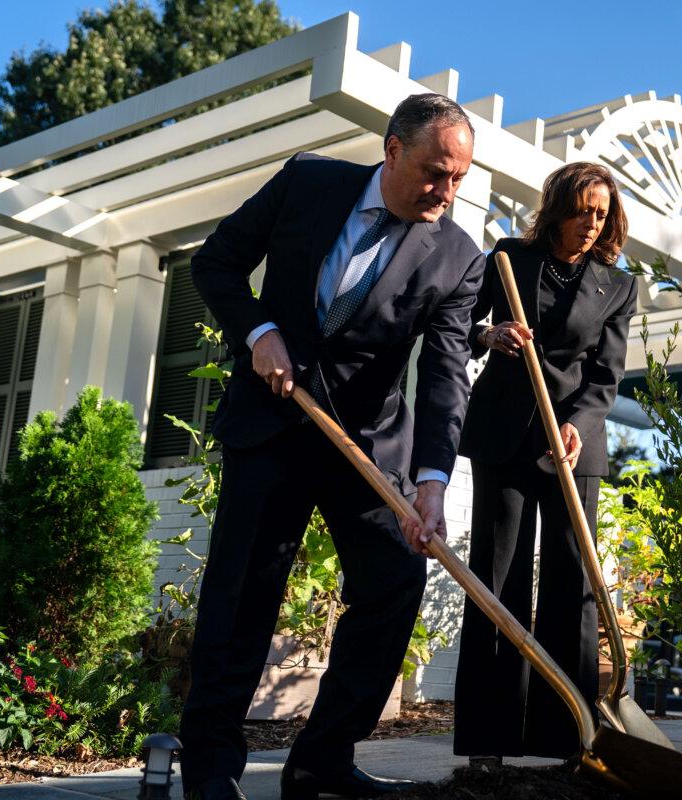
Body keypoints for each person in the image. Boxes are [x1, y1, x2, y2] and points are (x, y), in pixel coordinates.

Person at [181, 93, 485, 800]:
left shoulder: (457, 258)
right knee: (241, 600)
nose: (446, 191)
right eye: (436, 173)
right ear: (392, 151)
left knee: (394, 584)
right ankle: (209, 774)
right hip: (271, 428)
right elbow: (217, 265)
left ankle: (320, 763)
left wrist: (431, 481)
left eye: (458, 179)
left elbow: (444, 374)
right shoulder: (307, 183)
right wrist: (259, 335)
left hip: (367, 448)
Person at [453, 162, 637, 764]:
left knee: (570, 586)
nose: (591, 223)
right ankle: (487, 742)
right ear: (558, 207)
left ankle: (568, 741)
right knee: (497, 580)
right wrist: (491, 336)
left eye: (601, 213)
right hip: (504, 434)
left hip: (573, 448)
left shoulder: (616, 285)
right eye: (582, 209)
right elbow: (459, 324)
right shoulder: (509, 258)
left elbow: (606, 377)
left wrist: (575, 426)